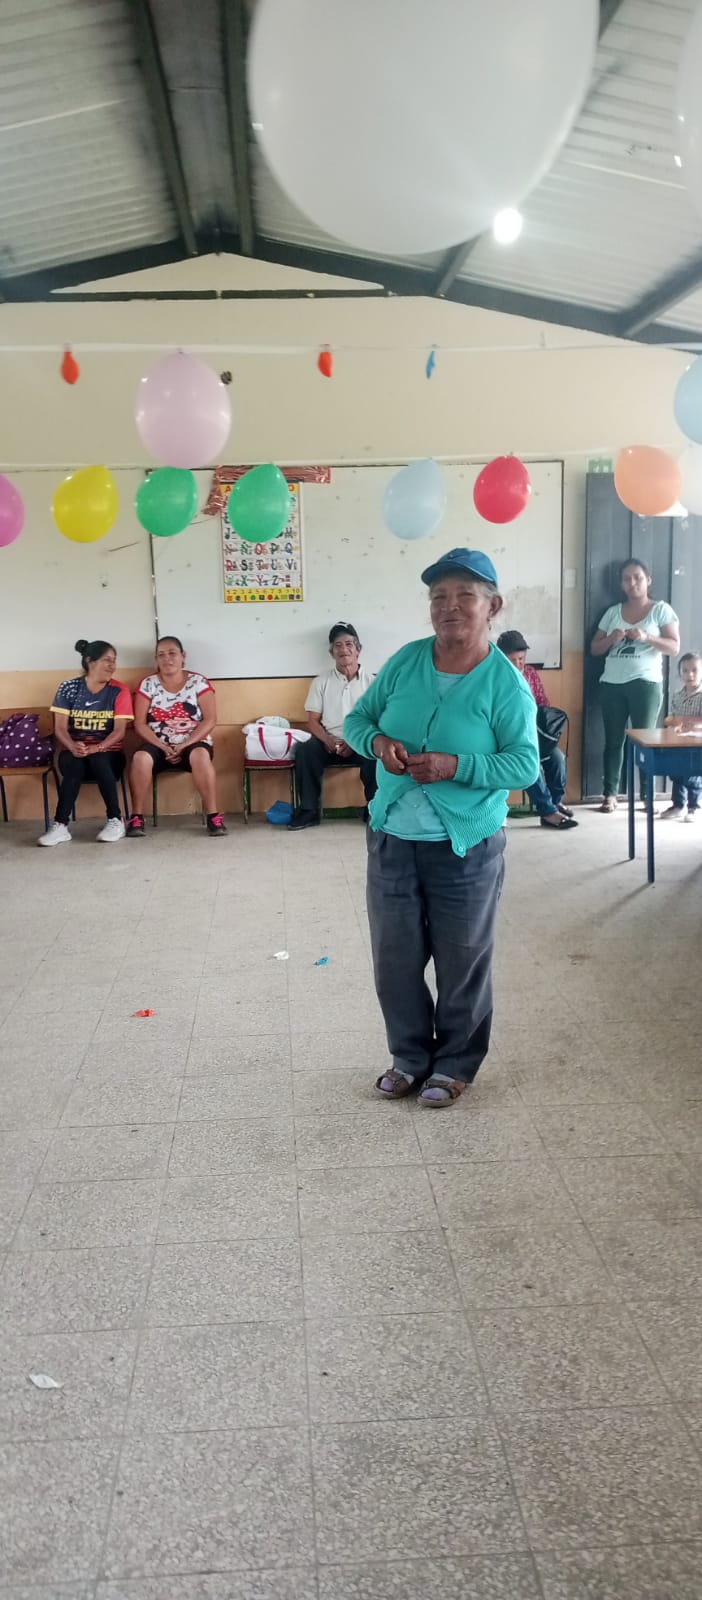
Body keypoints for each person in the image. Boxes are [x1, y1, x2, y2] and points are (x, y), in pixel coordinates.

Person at [344, 548, 539, 1109]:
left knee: (463, 959)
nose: (450, 606)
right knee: (395, 958)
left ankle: (454, 1064)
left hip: (466, 846)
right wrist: (378, 742)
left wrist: (457, 766)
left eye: (465, 595)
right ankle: (409, 1057)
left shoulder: (506, 684)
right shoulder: (406, 662)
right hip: (392, 837)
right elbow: (358, 720)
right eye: (438, 597)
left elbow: (525, 765)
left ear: (492, 607)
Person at [591, 557, 679, 812]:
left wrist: (647, 637)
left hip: (646, 684)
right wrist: (612, 638)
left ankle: (647, 796)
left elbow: (674, 647)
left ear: (648, 580)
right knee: (613, 741)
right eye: (627, 579)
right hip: (612, 684)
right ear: (621, 584)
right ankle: (610, 795)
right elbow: (595, 648)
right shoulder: (612, 612)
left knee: (645, 740)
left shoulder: (661, 610)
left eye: (638, 577)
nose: (632, 583)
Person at [126, 636, 226, 836]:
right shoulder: (148, 684)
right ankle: (136, 818)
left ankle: (213, 816)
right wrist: (163, 747)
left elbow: (210, 720)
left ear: (183, 656)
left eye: (172, 653)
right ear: (156, 659)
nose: (167, 659)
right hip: (157, 744)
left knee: (200, 755)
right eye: (161, 655)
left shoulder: (198, 682)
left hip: (193, 743)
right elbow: (140, 724)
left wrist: (185, 744)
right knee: (140, 758)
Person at [39, 638, 133, 847]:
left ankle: (115, 820)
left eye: (114, 660)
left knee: (99, 759)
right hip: (74, 753)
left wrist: (96, 748)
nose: (112, 665)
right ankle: (60, 826)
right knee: (75, 763)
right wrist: (73, 746)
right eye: (107, 660)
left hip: (110, 755)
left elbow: (119, 731)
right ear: (90, 661)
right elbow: (60, 728)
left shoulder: (119, 691)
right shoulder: (69, 688)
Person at [288, 621, 378, 831]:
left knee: (376, 753)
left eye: (349, 644)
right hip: (328, 742)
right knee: (305, 751)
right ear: (331, 653)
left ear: (358, 650)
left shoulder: (372, 682)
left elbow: (377, 720)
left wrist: (355, 742)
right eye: (338, 645)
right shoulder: (321, 681)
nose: (343, 649)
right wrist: (327, 740)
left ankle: (374, 808)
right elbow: (312, 720)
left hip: (360, 742)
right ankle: (309, 811)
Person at [496, 629, 576, 831]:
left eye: (521, 659)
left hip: (533, 734)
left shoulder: (530, 674)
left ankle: (555, 803)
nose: (518, 664)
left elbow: (543, 704)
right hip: (507, 739)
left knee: (557, 758)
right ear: (501, 659)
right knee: (530, 763)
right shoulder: (495, 678)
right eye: (512, 660)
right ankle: (547, 811)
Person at [661, 650, 702, 822]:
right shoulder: (678, 695)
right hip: (679, 741)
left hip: (697, 742)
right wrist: (671, 722)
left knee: (693, 775)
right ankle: (678, 805)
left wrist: (684, 719)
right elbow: (673, 717)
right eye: (685, 670)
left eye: (694, 670)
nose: (690, 674)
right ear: (680, 673)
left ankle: (694, 807)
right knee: (676, 772)